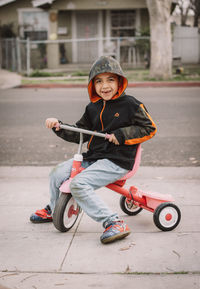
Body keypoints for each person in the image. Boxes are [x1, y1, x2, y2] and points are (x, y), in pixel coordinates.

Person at [30, 56, 157, 244]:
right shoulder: (92, 108)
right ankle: (54, 208)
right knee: (56, 174)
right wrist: (59, 126)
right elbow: (79, 133)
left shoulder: (131, 105)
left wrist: (121, 134)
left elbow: (149, 128)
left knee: (78, 184)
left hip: (117, 161)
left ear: (120, 82)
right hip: (94, 157)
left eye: (110, 80)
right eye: (99, 81)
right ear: (92, 85)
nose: (104, 86)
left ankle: (113, 222)